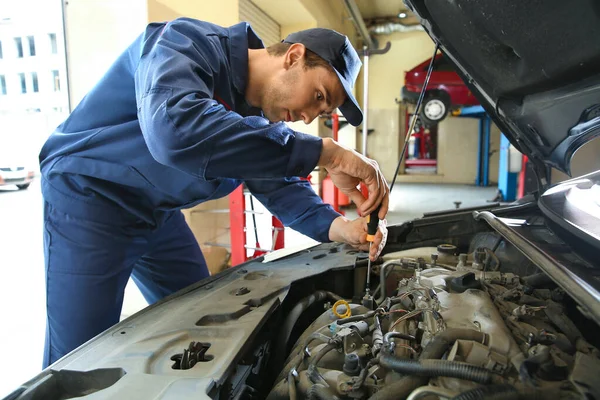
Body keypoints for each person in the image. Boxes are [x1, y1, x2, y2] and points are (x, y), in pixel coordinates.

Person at [38, 17, 389, 368]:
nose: (309, 117)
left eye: (322, 112)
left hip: (157, 214)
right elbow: (174, 129)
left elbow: (277, 183)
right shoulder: (185, 44)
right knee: (73, 363)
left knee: (206, 319)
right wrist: (324, 153)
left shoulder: (263, 119)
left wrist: (340, 227)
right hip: (90, 200)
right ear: (294, 56)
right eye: (317, 97)